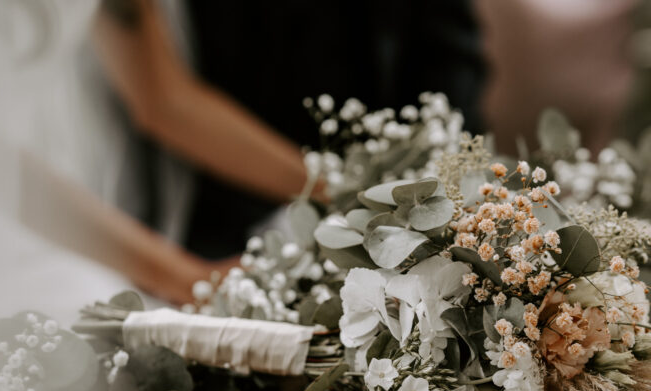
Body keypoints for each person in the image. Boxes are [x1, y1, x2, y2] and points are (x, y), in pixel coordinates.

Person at [86, 0, 485, 297]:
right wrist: (354, 198)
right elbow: (164, 101)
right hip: (220, 225)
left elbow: (454, 83)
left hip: (402, 200)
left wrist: (435, 211)